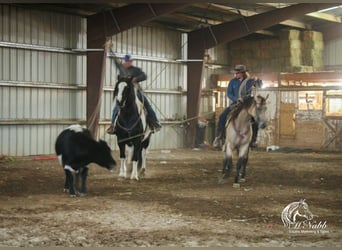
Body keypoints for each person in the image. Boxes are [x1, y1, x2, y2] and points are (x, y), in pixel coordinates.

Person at [106, 54, 162, 134]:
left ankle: (155, 123)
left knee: (147, 105)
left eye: (129, 61)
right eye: (127, 61)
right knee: (116, 107)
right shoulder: (121, 68)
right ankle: (112, 126)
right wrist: (110, 49)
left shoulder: (136, 70)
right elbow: (115, 61)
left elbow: (144, 76)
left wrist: (136, 79)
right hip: (125, 93)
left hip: (135, 91)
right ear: (125, 61)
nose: (128, 63)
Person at [213, 64, 262, 148]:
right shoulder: (232, 81)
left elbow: (260, 85)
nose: (236, 74)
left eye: (238, 72)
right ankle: (219, 136)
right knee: (222, 116)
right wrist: (237, 99)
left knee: (256, 119)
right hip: (236, 103)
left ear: (242, 73)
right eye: (236, 72)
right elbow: (229, 94)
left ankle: (254, 139)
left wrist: (258, 80)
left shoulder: (249, 81)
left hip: (247, 104)